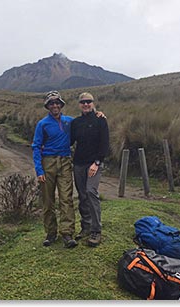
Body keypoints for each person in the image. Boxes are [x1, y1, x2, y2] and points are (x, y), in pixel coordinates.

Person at [32, 90, 77, 248]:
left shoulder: (69, 121)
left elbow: (85, 123)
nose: (55, 105)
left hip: (65, 162)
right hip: (48, 163)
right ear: (48, 106)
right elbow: (36, 147)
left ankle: (67, 233)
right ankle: (51, 233)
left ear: (61, 104)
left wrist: (97, 114)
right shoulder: (42, 124)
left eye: (57, 102)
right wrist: (39, 170)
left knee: (66, 198)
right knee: (48, 200)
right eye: (51, 103)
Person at [70, 92, 109, 247]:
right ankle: (85, 226)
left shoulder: (101, 120)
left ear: (93, 103)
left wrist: (97, 162)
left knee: (91, 191)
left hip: (94, 164)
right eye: (83, 102)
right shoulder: (76, 123)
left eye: (89, 102)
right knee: (82, 195)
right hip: (78, 163)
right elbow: (70, 140)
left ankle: (96, 230)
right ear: (79, 105)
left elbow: (105, 144)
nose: (86, 104)